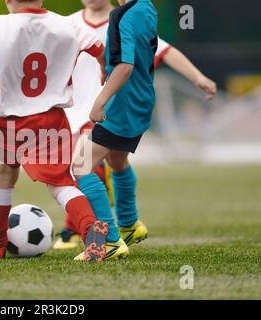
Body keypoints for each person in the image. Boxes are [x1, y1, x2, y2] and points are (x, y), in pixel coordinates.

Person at [0, 0, 113, 261]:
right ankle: (91, 230)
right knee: (61, 183)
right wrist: (104, 71)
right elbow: (99, 49)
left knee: (4, 175)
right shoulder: (66, 25)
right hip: (51, 117)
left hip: (9, 120)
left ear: (7, 1)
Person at [54, 0, 217, 251]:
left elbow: (131, 64)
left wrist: (197, 77)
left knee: (82, 166)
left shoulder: (121, 18)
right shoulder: (140, 10)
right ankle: (130, 225)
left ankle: (103, 239)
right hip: (97, 110)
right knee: (116, 162)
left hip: (110, 109)